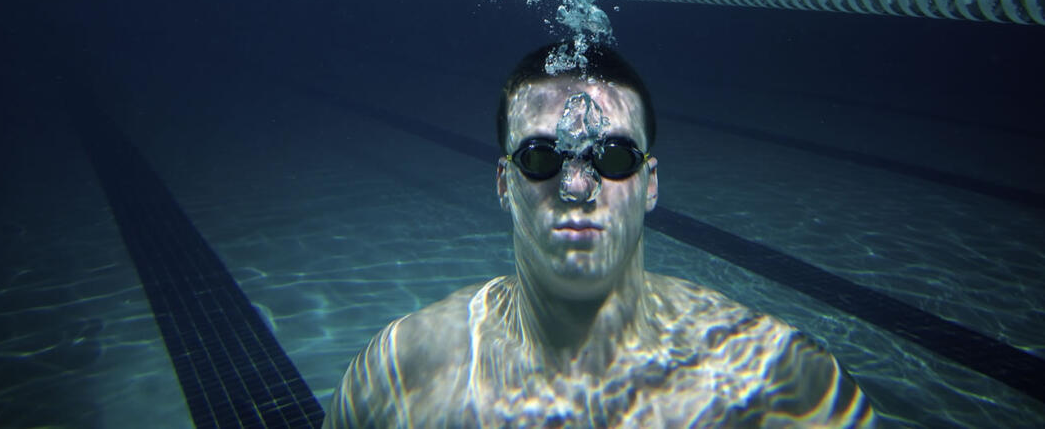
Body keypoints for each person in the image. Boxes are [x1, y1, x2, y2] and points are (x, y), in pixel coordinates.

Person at [325, 42, 878, 428]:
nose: (576, 185)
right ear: (503, 183)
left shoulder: (778, 377)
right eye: (540, 158)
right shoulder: (400, 371)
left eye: (613, 158)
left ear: (651, 184)